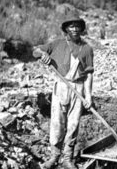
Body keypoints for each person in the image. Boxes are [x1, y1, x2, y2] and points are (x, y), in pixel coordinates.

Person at [33, 14, 94, 169]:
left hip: (78, 88)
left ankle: (68, 159)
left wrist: (88, 96)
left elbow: (89, 74)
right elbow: (36, 51)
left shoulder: (86, 48)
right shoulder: (57, 44)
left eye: (77, 26)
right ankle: (54, 156)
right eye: (71, 26)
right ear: (66, 28)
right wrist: (43, 54)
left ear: (81, 28)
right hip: (60, 86)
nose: (74, 29)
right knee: (57, 122)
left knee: (73, 124)